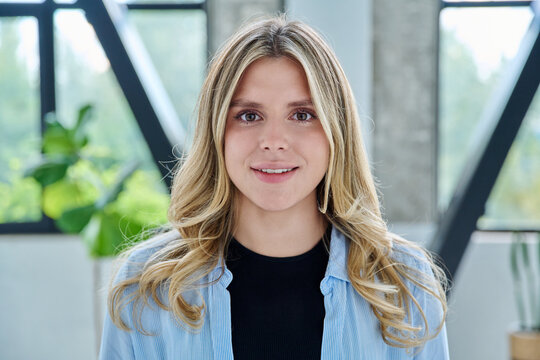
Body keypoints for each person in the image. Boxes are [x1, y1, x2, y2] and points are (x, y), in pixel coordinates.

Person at [99, 14, 449, 360]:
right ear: (217, 133)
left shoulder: (406, 283)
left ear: (335, 132)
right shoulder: (145, 285)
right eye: (249, 115)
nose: (274, 141)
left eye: (302, 115)